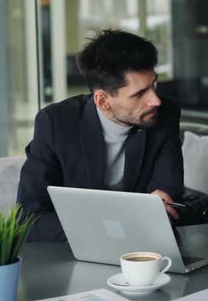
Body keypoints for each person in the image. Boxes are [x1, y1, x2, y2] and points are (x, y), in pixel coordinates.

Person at [17, 29, 184, 242]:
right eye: (139, 93)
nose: (155, 100)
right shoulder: (55, 123)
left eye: (154, 85)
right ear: (103, 101)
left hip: (143, 247)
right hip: (76, 249)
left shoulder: (165, 113)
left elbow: (167, 200)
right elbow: (28, 218)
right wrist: (125, 216)